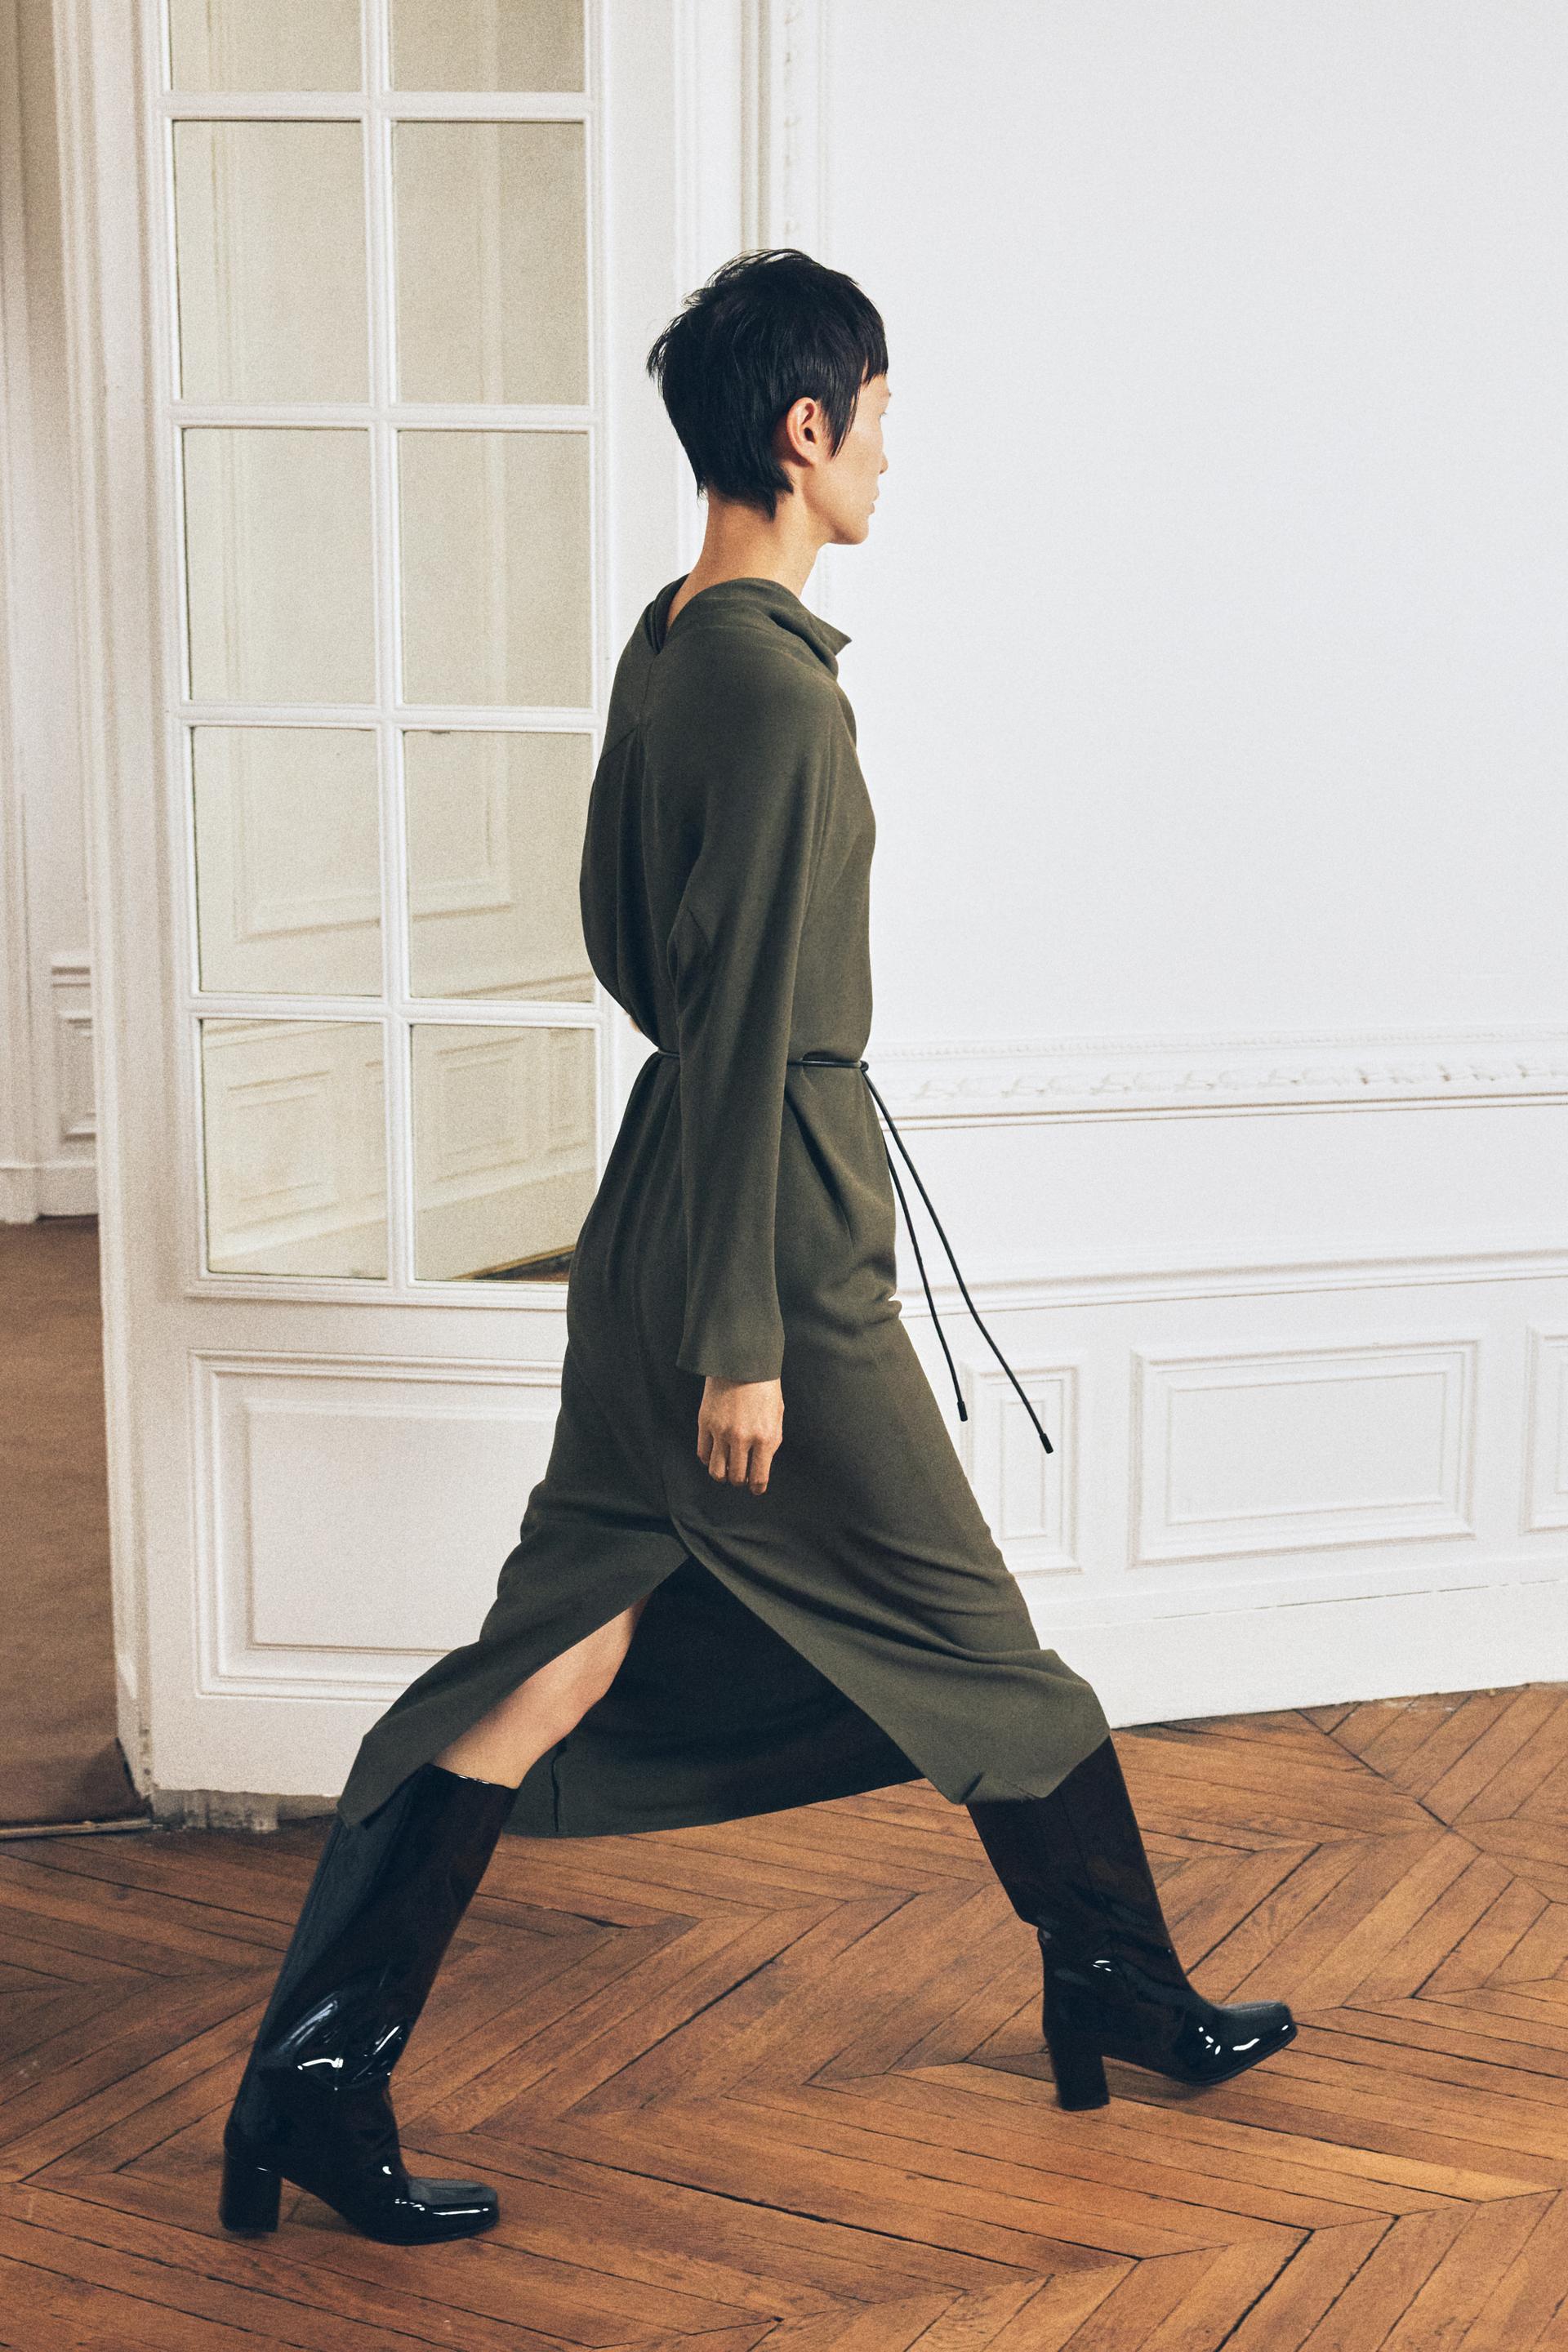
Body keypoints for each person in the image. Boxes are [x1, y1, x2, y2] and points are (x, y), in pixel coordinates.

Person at [217, 248, 1295, 2248]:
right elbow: (730, 1029)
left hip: (670, 1202)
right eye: (879, 418)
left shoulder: (672, 641)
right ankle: (1122, 1989)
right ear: (805, 430)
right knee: (977, 1644)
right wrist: (746, 1332)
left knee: (566, 1644)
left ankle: (310, 2080)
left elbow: (631, 952)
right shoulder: (780, 692)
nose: (891, 454)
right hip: (764, 1241)